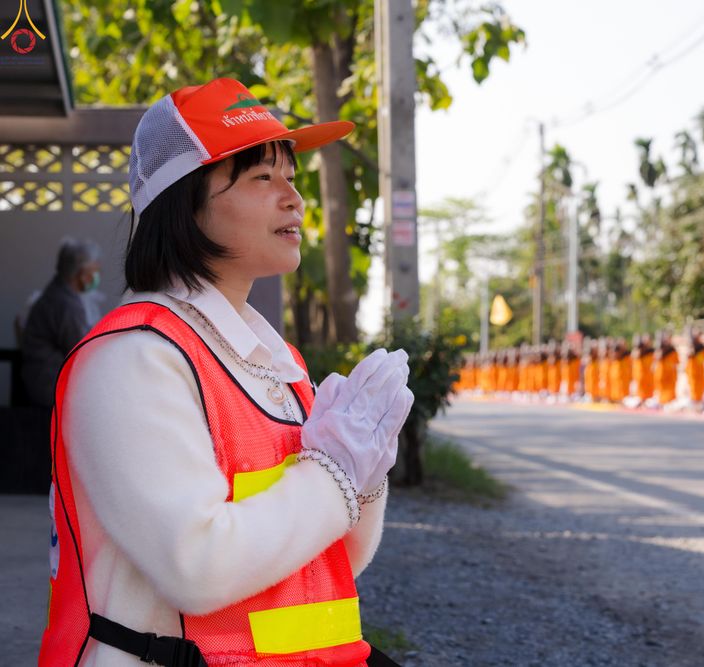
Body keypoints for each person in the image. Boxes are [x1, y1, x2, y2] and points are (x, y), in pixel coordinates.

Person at [40, 78, 414, 667]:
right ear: (185, 203)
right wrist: (335, 472)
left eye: (290, 176)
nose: (293, 199)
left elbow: (332, 559)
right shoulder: (134, 357)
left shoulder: (279, 362)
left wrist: (364, 478)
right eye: (262, 177)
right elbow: (197, 567)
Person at [20, 237, 102, 407]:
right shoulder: (65, 304)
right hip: (48, 385)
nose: (97, 276)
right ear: (82, 274)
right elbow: (80, 349)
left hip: (39, 379)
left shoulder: (58, 293)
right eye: (95, 271)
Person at [653, 331, 679, 407]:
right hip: (661, 375)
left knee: (670, 394)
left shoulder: (672, 350)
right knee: (661, 392)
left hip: (671, 376)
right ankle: (662, 403)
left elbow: (676, 363)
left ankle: (669, 403)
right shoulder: (659, 350)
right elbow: (656, 359)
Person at [685, 329, 704, 407]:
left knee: (701, 386)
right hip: (692, 371)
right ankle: (694, 401)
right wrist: (692, 351)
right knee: (693, 387)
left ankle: (700, 401)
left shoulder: (702, 347)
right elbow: (687, 356)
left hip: (700, 371)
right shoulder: (691, 346)